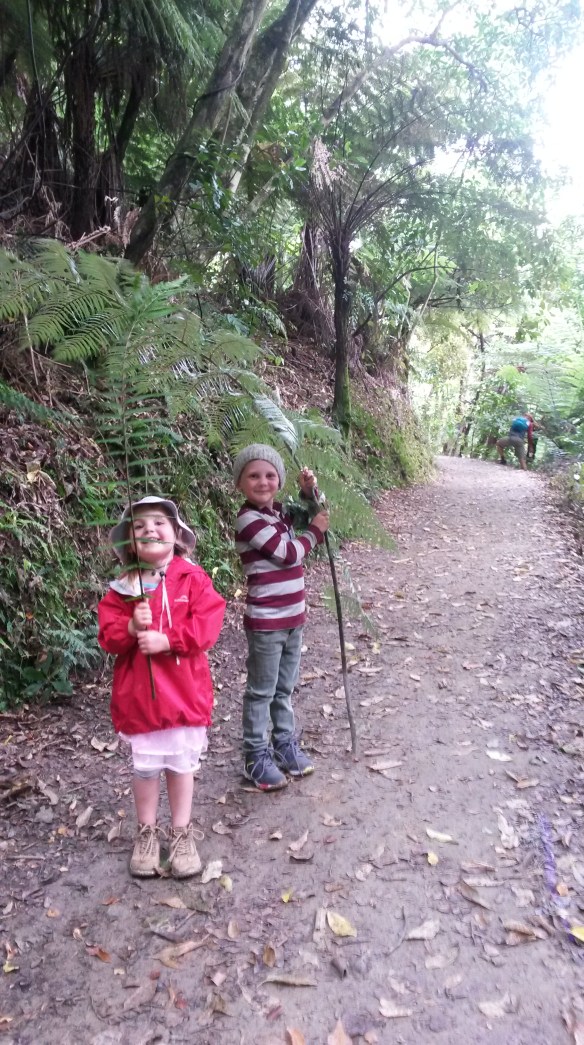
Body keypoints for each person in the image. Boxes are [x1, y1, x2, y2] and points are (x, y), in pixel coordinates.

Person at [98, 496, 225, 878]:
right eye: (139, 527)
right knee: (146, 768)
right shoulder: (123, 587)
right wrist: (132, 628)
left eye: (159, 523)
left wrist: (167, 640)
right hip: (141, 699)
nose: (150, 529)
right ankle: (147, 831)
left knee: (181, 765)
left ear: (177, 534)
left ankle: (182, 831)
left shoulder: (193, 577)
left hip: (184, 693)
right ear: (130, 543)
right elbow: (107, 635)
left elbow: (209, 624)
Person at [233, 444, 329, 791]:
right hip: (266, 621)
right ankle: (255, 756)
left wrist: (309, 492)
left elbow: (313, 512)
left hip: (293, 618)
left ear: (279, 480)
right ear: (240, 483)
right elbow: (288, 553)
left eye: (270, 475)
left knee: (284, 688)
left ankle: (284, 744)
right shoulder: (248, 520)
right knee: (261, 690)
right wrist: (315, 532)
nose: (263, 482)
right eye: (254, 476)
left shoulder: (279, 515)